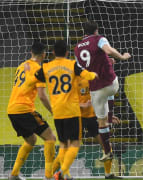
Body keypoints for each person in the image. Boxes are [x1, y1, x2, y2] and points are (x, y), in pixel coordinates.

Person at [24, 40, 97, 180]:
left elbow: (29, 82)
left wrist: (28, 72)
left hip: (57, 112)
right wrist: (95, 75)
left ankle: (57, 175)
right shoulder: (72, 65)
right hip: (72, 110)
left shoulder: (46, 67)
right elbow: (88, 76)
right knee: (75, 142)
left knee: (63, 144)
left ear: (52, 53)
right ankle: (63, 171)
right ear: (67, 52)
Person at [74, 21, 131, 162]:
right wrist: (122, 57)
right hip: (110, 83)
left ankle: (107, 152)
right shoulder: (98, 39)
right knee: (111, 90)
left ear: (84, 32)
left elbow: (80, 67)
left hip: (95, 89)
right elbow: (108, 50)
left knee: (101, 122)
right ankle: (110, 115)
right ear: (96, 30)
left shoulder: (76, 49)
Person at [7, 42, 56, 180]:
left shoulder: (21, 66)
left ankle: (14, 174)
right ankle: (48, 176)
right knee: (50, 138)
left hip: (12, 109)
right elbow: (42, 95)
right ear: (44, 54)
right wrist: (53, 111)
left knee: (31, 140)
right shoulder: (38, 69)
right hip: (24, 109)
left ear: (31, 52)